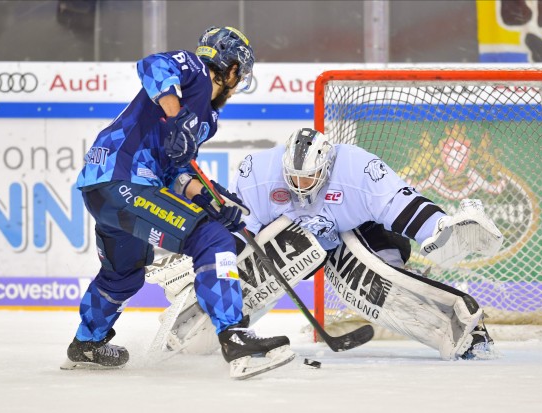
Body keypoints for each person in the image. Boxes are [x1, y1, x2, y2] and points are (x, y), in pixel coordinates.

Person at [61, 26, 295, 378]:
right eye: (239, 74)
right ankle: (234, 336)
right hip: (124, 181)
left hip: (107, 193)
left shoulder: (207, 119)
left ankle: (86, 344)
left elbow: (176, 170)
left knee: (123, 275)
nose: (237, 83)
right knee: (212, 239)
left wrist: (212, 199)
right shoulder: (196, 72)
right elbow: (154, 64)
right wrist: (176, 116)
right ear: (231, 70)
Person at [155, 126, 503, 361]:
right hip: (302, 243)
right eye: (294, 178)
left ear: (327, 166)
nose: (301, 185)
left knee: (380, 285)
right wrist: (206, 265)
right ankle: (212, 315)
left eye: (309, 177)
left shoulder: (359, 169)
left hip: (361, 232)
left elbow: (401, 206)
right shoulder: (259, 173)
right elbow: (245, 236)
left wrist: (439, 228)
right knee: (277, 253)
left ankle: (464, 333)